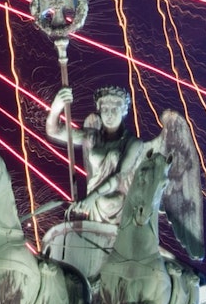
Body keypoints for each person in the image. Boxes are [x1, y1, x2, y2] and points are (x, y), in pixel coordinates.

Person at [45, 86, 152, 225]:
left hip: (120, 207)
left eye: (114, 109)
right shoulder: (92, 137)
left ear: (124, 110)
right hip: (94, 206)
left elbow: (120, 176)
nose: (109, 115)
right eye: (105, 110)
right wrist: (56, 106)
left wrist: (91, 197)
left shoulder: (133, 143)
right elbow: (54, 131)